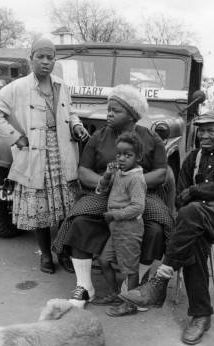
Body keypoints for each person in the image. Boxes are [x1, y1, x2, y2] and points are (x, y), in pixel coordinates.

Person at [118, 110, 214, 345]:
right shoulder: (193, 158)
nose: (205, 135)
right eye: (201, 130)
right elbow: (180, 197)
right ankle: (201, 315)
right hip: (196, 225)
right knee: (194, 239)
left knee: (192, 212)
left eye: (211, 130)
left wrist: (198, 191)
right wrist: (204, 197)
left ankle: (159, 282)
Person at [52, 84, 173, 304]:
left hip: (141, 194)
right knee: (80, 218)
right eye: (108, 109)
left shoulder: (151, 138)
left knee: (157, 225)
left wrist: (132, 183)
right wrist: (106, 182)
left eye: (115, 111)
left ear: (132, 116)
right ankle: (84, 286)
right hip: (104, 192)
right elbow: (83, 170)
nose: (108, 114)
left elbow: (161, 173)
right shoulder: (98, 136)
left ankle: (134, 285)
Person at [0, 37, 90, 273]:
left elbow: (70, 113)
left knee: (64, 207)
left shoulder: (61, 85)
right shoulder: (17, 87)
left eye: (50, 57)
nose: (45, 62)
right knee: (40, 209)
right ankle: (45, 255)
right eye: (40, 57)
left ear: (55, 61)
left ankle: (61, 252)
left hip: (62, 152)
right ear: (30, 59)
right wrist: (14, 137)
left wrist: (76, 125)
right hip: (34, 153)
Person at [93, 133, 147, 317]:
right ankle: (115, 294)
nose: (122, 158)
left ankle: (130, 304)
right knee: (104, 260)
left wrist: (114, 215)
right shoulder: (118, 173)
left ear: (138, 157)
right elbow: (101, 190)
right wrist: (107, 174)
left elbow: (138, 207)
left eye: (128, 155)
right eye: (119, 154)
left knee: (129, 270)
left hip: (129, 230)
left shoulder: (136, 179)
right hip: (116, 229)